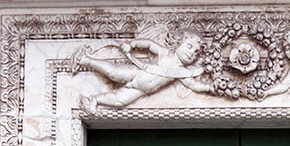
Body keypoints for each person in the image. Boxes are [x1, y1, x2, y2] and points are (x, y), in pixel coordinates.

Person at [71, 31, 212, 110]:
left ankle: (95, 100)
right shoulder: (165, 53)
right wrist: (131, 44)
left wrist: (210, 87)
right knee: (114, 73)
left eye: (196, 52)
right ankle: (85, 60)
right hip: (138, 72)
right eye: (189, 46)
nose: (192, 53)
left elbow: (193, 85)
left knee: (120, 101)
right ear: (178, 42)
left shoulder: (182, 73)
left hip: (141, 90)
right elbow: (149, 45)